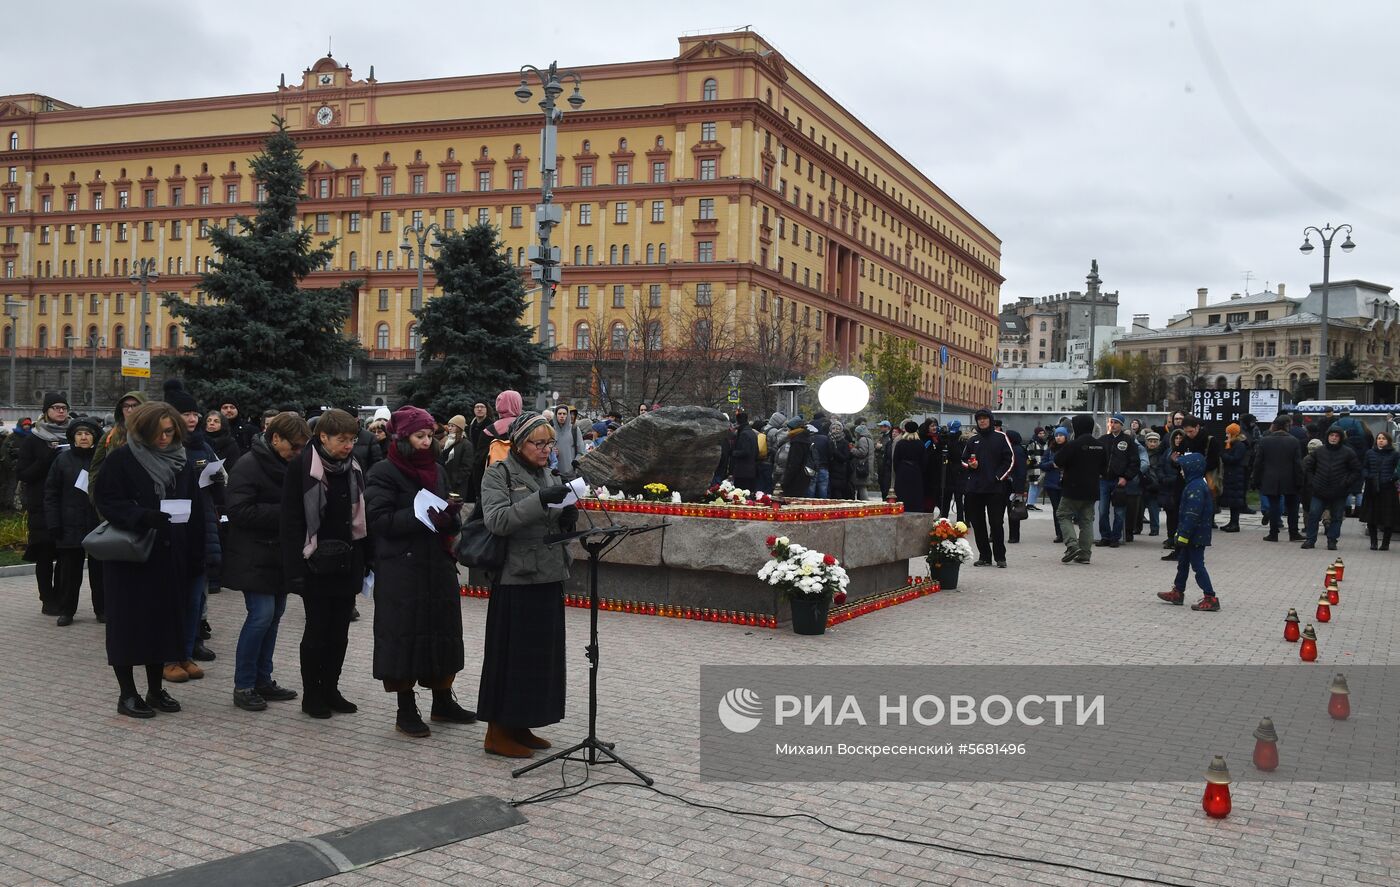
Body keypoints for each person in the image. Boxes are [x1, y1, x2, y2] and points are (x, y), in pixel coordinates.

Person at [92, 402, 209, 718]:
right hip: (131, 556)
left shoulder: (181, 461)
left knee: (163, 624)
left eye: (170, 432)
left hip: (171, 554)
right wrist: (142, 516)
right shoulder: (122, 460)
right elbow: (106, 501)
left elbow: (195, 508)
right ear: (141, 431)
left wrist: (200, 553)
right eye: (157, 433)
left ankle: (156, 690)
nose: (164, 438)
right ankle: (127, 694)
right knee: (128, 626)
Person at [366, 406, 473, 738]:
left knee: (442, 632)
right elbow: (378, 519)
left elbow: (443, 510)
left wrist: (450, 517)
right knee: (403, 636)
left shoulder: (437, 470)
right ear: (403, 438)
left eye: (430, 435)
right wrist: (421, 517)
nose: (427, 442)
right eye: (420, 436)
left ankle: (442, 700)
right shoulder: (383, 471)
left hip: (437, 563)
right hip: (401, 566)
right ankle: (405, 708)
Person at [477, 412, 576, 758]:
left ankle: (522, 723)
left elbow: (550, 518)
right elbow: (498, 520)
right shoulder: (498, 473)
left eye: (550, 443)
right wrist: (541, 501)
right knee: (511, 658)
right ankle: (497, 732)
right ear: (519, 443)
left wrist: (566, 513)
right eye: (539, 443)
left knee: (538, 658)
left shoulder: (548, 473)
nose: (547, 450)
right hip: (515, 578)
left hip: (548, 575)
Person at [281, 408, 369, 719]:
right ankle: (312, 694)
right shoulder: (302, 467)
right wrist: (295, 571)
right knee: (317, 632)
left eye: (352, 439)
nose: (348, 446)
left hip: (347, 562)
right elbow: (291, 521)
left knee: (340, 633)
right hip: (315, 564)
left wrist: (364, 562)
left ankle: (331, 688)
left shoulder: (354, 466)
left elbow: (362, 518)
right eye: (342, 440)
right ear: (323, 437)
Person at [225, 412, 309, 712]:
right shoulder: (248, 464)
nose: (298, 453)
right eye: (294, 446)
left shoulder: (292, 465)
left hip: (279, 555)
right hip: (254, 554)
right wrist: (287, 514)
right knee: (261, 616)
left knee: (273, 617)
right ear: (275, 439)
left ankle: (263, 679)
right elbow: (238, 511)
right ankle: (244, 684)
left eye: (303, 447)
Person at [162, 380, 221, 679]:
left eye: (194, 413)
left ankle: (187, 651)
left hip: (201, 523)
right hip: (171, 529)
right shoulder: (165, 450)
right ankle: (168, 656)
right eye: (186, 414)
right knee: (174, 598)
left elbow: (219, 476)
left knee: (196, 598)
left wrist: (218, 480)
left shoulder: (203, 445)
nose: (193, 419)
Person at [43, 416, 104, 626]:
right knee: (69, 574)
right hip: (69, 524)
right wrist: (53, 523)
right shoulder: (62, 460)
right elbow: (51, 493)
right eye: (79, 434)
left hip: (97, 523)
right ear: (73, 438)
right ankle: (67, 610)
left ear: (95, 437)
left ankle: (102, 609)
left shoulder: (101, 459)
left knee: (100, 572)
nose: (84, 437)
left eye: (87, 434)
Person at [19, 392, 76, 615]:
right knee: (44, 554)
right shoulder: (33, 439)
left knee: (66, 555)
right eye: (55, 407)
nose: (60, 411)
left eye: (63, 407)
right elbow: (24, 473)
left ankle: (62, 596)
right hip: (41, 505)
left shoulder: (75, 435)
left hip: (68, 505)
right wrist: (47, 458)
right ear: (46, 411)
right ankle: (47, 599)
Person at [1156, 452, 1219, 611]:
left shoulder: (1195, 487)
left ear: (1192, 469)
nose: (1181, 471)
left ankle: (1210, 597)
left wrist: (1183, 534)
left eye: (1183, 468)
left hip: (1195, 535)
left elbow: (1192, 514)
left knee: (1198, 566)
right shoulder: (1194, 484)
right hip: (1193, 534)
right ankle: (1178, 591)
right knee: (1183, 563)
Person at [961, 409, 1015, 567]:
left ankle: (1000, 557)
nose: (982, 421)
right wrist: (971, 465)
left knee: (996, 523)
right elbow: (963, 460)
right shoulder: (973, 440)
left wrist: (998, 477)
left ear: (990, 420)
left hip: (995, 489)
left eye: (985, 419)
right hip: (975, 489)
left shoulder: (1000, 437)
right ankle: (984, 556)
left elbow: (1010, 460)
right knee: (978, 524)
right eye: (979, 419)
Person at [1054, 414, 1106, 565]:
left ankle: (1072, 546)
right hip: (1092, 489)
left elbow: (1058, 460)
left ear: (1077, 427)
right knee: (1087, 521)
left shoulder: (1073, 444)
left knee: (1063, 514)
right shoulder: (1100, 445)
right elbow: (1104, 468)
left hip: (1072, 488)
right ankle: (1085, 554)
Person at [1301, 425, 1361, 551]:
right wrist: (1313, 482)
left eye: (1336, 436)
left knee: (1337, 517)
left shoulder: (1348, 452)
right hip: (1319, 490)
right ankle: (1310, 540)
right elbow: (1309, 467)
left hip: (1339, 491)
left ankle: (1332, 540)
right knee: (1313, 515)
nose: (1333, 438)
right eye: (1331, 435)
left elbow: (1356, 470)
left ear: (1340, 438)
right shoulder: (1319, 451)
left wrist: (1346, 483)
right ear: (1327, 436)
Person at [1252, 415, 1304, 543]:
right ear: (1287, 425)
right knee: (1292, 507)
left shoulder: (1265, 441)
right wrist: (1300, 481)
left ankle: (1273, 533)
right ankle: (1294, 533)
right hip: (1290, 478)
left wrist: (1256, 479)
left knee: (1274, 506)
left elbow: (1258, 462)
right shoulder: (1294, 441)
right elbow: (1298, 463)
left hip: (1270, 478)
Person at [1095, 415, 1139, 548]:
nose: (1112, 425)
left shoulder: (1128, 441)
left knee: (1119, 511)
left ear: (1121, 425)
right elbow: (1096, 459)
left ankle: (1115, 538)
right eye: (1111, 422)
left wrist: (1126, 477)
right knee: (1103, 510)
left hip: (1119, 481)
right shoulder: (1102, 440)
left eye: (1116, 423)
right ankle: (1105, 536)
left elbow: (1134, 462)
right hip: (1104, 480)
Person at [1359, 431, 1399, 550]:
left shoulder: (1394, 454)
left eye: (1383, 438)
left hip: (1388, 489)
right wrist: (1367, 475)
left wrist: (1393, 478)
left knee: (1388, 517)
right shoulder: (1370, 453)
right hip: (1372, 488)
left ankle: (1385, 543)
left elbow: (1398, 469)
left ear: (1388, 441)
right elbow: (1364, 467)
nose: (1380, 440)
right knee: (1371, 517)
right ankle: (1373, 542)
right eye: (1379, 438)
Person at [1217, 422, 1251, 532]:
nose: (1226, 435)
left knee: (1235, 501)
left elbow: (1235, 459)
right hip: (1232, 475)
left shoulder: (1239, 445)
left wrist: (1223, 455)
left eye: (1228, 433)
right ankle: (1232, 522)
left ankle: (1235, 524)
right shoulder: (1232, 443)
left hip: (1237, 475)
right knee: (1232, 501)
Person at [892, 421, 926, 513]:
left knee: (902, 494)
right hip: (916, 471)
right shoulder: (920, 444)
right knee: (915, 495)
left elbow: (895, 460)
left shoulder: (900, 443)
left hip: (902, 471)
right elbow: (923, 462)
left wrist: (898, 470)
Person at [440, 414, 476, 500]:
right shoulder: (447, 442)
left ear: (459, 428)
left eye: (453, 426)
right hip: (445, 482)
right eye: (449, 426)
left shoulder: (466, 444)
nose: (450, 428)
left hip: (457, 485)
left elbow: (467, 466)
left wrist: (456, 480)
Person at [1041, 426, 1068, 543]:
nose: (1058, 437)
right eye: (1057, 435)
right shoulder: (1050, 449)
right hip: (1052, 484)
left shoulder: (1070, 448)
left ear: (1066, 436)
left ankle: (1066, 532)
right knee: (1056, 509)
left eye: (1061, 435)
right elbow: (1042, 464)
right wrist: (1052, 464)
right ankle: (1059, 534)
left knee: (1065, 510)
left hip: (1066, 483)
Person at [779, 417, 814, 497]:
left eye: (789, 428)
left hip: (795, 480)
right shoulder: (806, 438)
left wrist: (785, 482)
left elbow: (794, 464)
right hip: (804, 477)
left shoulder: (797, 442)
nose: (788, 431)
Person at [1005, 429, 1028, 544]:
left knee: (1014, 511)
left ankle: (1014, 536)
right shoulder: (1016, 448)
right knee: (1012, 511)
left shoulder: (1017, 450)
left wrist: (1019, 490)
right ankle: (1013, 536)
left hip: (1013, 486)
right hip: (1012, 485)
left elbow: (1020, 471)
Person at [549, 406, 585, 481]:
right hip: (554, 474)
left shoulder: (574, 429)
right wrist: (551, 451)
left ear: (567, 415)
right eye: (559, 413)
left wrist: (575, 462)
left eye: (564, 414)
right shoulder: (550, 430)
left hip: (570, 474)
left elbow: (581, 451)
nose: (562, 416)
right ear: (556, 415)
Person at [729, 410, 759, 493]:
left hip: (743, 471)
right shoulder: (752, 432)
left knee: (741, 494)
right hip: (751, 470)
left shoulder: (744, 434)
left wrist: (733, 452)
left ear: (738, 421)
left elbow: (745, 451)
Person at [758, 411, 786, 495]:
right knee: (768, 486)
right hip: (769, 461)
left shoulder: (764, 428)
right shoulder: (774, 431)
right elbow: (776, 446)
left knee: (760, 485)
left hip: (761, 459)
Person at [1025, 427, 1047, 511]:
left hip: (1042, 467)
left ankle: (1032, 503)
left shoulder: (1045, 443)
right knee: (1033, 485)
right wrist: (1035, 462)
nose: (1041, 435)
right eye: (1040, 433)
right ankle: (1030, 504)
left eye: (1043, 433)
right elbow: (1029, 454)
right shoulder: (1032, 442)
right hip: (1034, 467)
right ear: (1036, 434)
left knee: (1040, 485)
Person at [851, 420, 874, 501]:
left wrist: (852, 449)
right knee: (863, 486)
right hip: (868, 465)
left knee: (862, 486)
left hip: (862, 466)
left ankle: (865, 503)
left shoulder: (862, 440)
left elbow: (862, 453)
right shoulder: (869, 440)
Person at [874, 420, 894, 501]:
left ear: (887, 427)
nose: (880, 428)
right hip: (880, 465)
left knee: (886, 486)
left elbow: (889, 449)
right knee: (882, 484)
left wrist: (881, 447)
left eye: (882, 426)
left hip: (885, 465)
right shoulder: (882, 436)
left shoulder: (889, 437)